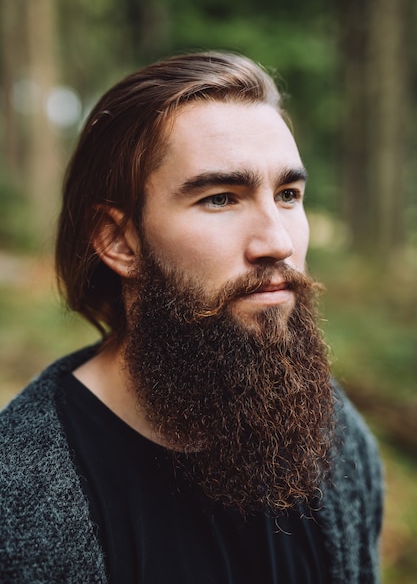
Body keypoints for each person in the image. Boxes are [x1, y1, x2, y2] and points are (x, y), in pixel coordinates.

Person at [0, 51, 383, 583]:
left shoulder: (334, 436)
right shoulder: (21, 494)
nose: (276, 242)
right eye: (222, 198)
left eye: (288, 195)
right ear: (118, 239)